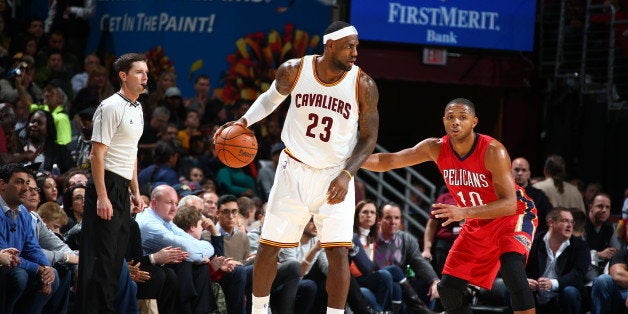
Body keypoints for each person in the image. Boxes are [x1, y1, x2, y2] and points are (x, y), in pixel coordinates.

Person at [214, 20, 379, 314]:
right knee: (269, 245)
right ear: (330, 46)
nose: (355, 52)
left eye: (357, 46)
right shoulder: (295, 70)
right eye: (349, 46)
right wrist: (243, 122)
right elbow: (270, 99)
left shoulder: (363, 84)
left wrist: (347, 174)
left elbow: (369, 136)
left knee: (339, 251)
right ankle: (259, 309)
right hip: (294, 169)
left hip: (335, 174)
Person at [362, 98, 538, 314]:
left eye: (462, 118)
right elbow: (388, 161)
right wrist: (351, 160)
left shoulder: (493, 150)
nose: (456, 122)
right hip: (478, 219)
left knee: (513, 273)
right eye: (451, 118)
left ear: (474, 122)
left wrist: (462, 212)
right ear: (444, 121)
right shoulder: (435, 147)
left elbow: (509, 204)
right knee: (448, 289)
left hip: (513, 216)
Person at [78, 53, 147, 313]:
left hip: (122, 186)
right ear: (123, 76)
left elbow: (131, 153)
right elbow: (97, 154)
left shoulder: (138, 107)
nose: (145, 77)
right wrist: (102, 196)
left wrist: (136, 191)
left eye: (146, 72)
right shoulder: (110, 106)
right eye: (139, 72)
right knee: (100, 261)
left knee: (115, 259)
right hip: (105, 184)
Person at [0, 163, 59, 313]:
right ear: (2, 184)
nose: (26, 188)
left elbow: (32, 248)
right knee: (19, 276)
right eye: (19, 182)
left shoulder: (24, 214)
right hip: (5, 267)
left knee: (54, 276)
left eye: (27, 183)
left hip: (16, 265)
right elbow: (8, 257)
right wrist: (38, 269)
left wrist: (46, 268)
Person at [525, 208, 590, 313]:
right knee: (515, 290)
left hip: (561, 297)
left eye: (571, 222)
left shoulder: (579, 245)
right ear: (551, 222)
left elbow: (578, 274)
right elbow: (521, 266)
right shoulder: (534, 242)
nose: (569, 225)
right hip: (536, 297)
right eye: (565, 221)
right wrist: (525, 281)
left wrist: (553, 283)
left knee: (570, 291)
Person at [512, 157, 553, 232]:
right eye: (517, 170)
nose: (520, 173)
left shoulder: (539, 196)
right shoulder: (501, 193)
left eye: (524, 170)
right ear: (510, 172)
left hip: (533, 239)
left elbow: (549, 219)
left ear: (529, 174)